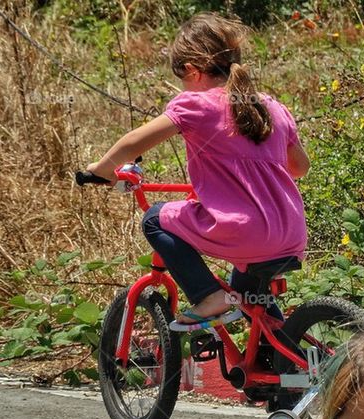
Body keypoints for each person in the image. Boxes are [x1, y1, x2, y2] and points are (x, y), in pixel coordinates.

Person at [85, 13, 309, 330]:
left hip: (245, 231)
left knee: (154, 219)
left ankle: (209, 296)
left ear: (192, 69)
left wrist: (102, 169)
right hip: (290, 233)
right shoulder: (272, 107)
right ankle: (279, 367)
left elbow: (134, 142)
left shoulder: (196, 104)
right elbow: (300, 168)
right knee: (249, 296)